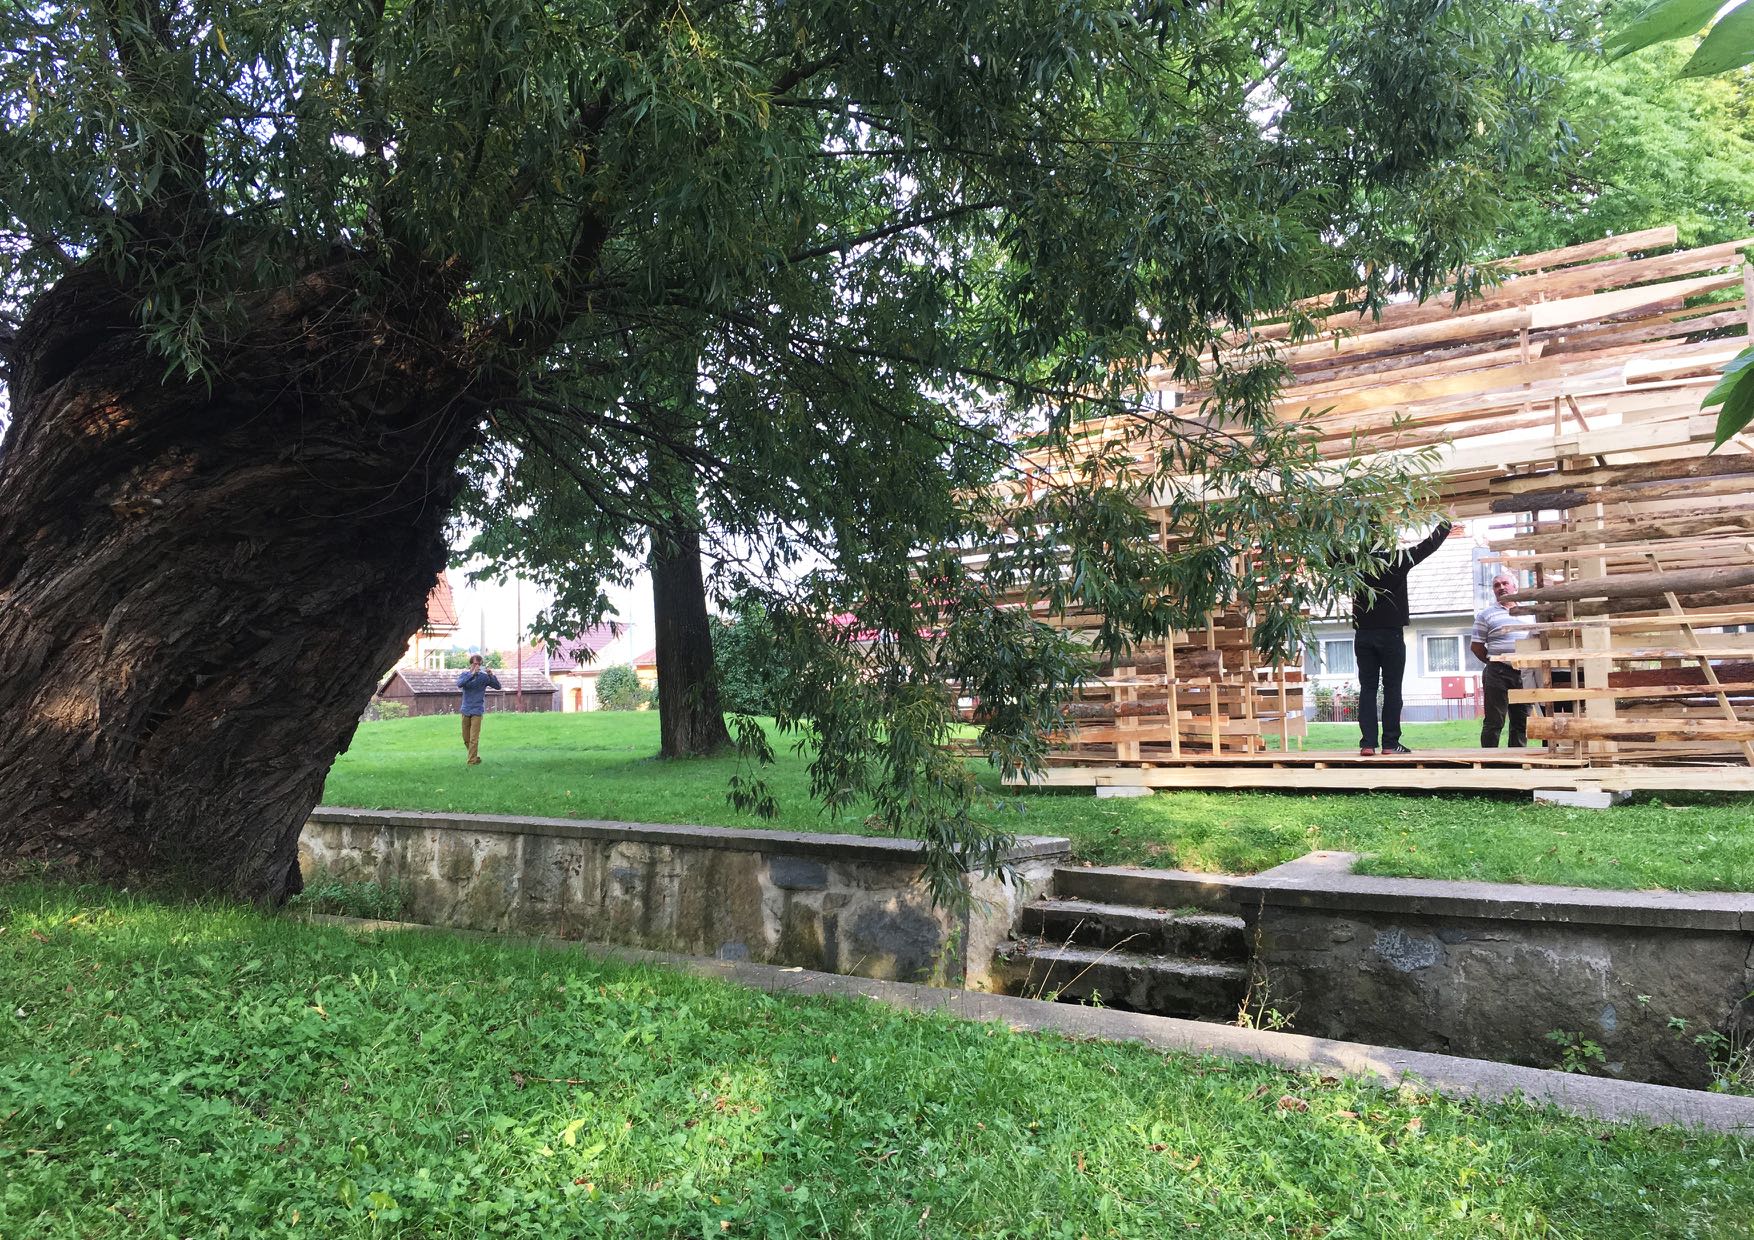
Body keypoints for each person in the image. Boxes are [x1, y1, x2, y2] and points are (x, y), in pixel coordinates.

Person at [1352, 518, 1453, 756]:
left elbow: (1330, 555)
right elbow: (1427, 546)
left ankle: (1368, 743)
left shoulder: (1354, 562)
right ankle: (1390, 744)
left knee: (1367, 688)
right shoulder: (1398, 559)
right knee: (1392, 688)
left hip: (1363, 633)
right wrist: (1445, 524)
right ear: (1386, 539)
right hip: (1391, 633)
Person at [1471, 571, 1531, 748]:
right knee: (1494, 721)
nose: (1501, 587)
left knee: (1521, 721)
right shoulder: (1485, 615)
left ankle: (1516, 759)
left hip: (1525, 673)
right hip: (1497, 673)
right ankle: (1489, 759)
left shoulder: (1529, 613)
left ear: (1515, 587)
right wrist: (1494, 662)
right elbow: (1476, 646)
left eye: (1505, 583)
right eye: (1497, 585)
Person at [456, 654, 501, 765]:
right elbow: (460, 684)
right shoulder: (465, 675)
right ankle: (475, 758)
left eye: (479, 664)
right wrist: (472, 674)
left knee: (473, 739)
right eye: (475, 664)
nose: (477, 666)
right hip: (465, 710)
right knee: (466, 739)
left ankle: (471, 762)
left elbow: (498, 686)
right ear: (471, 664)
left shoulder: (483, 677)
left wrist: (491, 675)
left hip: (477, 711)